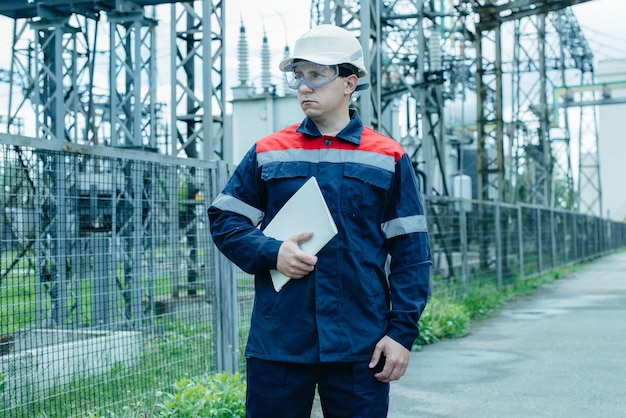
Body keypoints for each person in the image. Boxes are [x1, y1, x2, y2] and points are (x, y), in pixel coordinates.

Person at [208, 24, 431, 418]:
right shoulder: (269, 151)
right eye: (299, 75)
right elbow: (225, 219)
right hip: (280, 339)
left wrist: (401, 334)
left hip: (360, 342)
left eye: (317, 75)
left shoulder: (388, 157)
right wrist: (272, 252)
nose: (304, 87)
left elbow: (412, 254)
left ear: (349, 82)